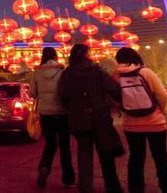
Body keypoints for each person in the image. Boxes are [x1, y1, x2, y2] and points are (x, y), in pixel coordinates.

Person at [58, 43, 123, 193]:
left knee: (84, 154)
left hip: (79, 119)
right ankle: (112, 187)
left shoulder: (67, 74)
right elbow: (112, 89)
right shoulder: (97, 71)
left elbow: (63, 95)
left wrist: (74, 109)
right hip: (99, 117)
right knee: (106, 154)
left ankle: (85, 187)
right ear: (87, 55)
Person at [113, 47, 167, 193]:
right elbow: (162, 94)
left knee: (136, 157)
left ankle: (136, 187)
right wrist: (160, 109)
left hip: (131, 125)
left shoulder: (115, 76)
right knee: (160, 156)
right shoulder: (145, 72)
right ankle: (166, 187)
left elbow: (114, 98)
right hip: (155, 123)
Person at [29, 47, 75, 189]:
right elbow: (69, 90)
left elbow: (32, 93)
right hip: (62, 113)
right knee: (65, 146)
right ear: (55, 57)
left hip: (46, 114)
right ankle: (68, 180)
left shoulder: (37, 73)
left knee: (50, 144)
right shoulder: (62, 71)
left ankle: (44, 167)